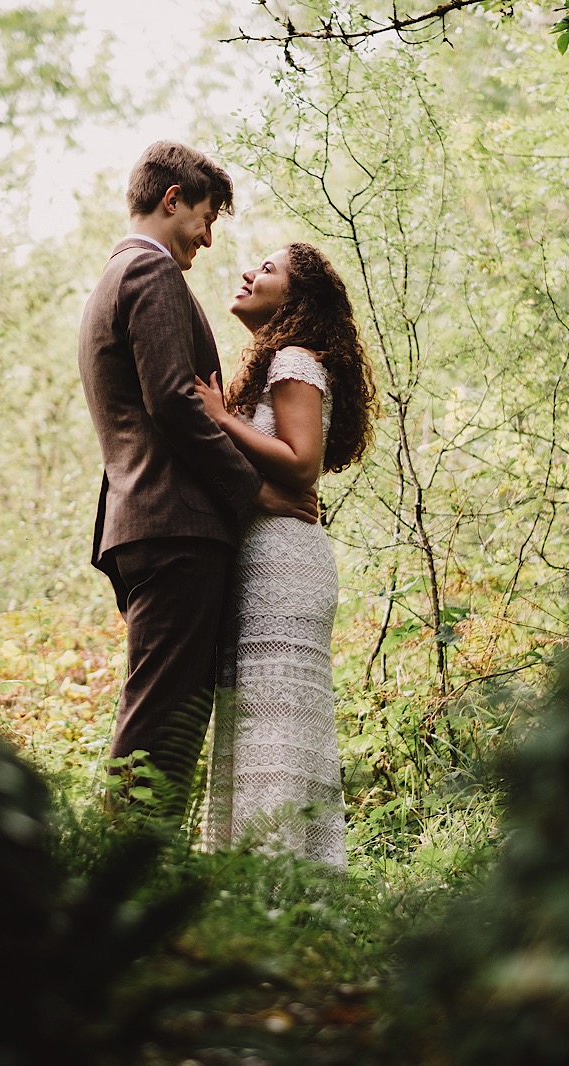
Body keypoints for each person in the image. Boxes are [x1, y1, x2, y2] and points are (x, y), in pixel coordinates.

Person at [77, 142, 320, 811]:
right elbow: (173, 402)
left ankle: (137, 872)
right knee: (163, 722)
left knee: (166, 713)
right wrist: (256, 492)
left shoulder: (116, 277)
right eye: (205, 219)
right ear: (171, 199)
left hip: (149, 522)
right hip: (175, 524)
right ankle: (124, 877)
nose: (209, 240)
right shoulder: (150, 276)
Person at [194, 242, 377, 868]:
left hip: (283, 567)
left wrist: (220, 417)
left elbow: (302, 464)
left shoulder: (295, 358)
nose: (248, 272)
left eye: (267, 270)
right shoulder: (273, 362)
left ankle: (283, 894)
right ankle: (257, 891)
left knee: (280, 732)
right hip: (258, 558)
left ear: (297, 300)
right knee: (255, 733)